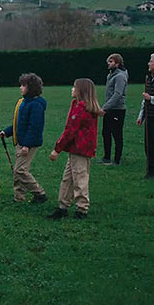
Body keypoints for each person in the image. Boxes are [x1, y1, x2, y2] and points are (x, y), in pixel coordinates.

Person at [48, 78, 104, 219]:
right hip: (77, 149)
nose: (72, 89)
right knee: (68, 179)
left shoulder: (81, 108)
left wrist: (57, 149)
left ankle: (81, 209)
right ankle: (63, 206)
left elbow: (70, 131)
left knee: (80, 178)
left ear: (81, 90)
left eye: (74, 87)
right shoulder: (81, 106)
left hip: (80, 149)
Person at [0, 73, 47, 203]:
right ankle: (19, 198)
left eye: (23, 85)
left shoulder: (36, 105)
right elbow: (18, 123)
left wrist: (27, 145)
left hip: (28, 143)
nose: (20, 88)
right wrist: (7, 132)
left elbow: (34, 127)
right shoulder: (24, 102)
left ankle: (39, 193)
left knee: (20, 170)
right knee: (18, 171)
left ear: (31, 88)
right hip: (21, 141)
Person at [100, 53, 128, 165]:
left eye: (111, 62)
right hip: (109, 108)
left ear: (117, 63)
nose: (108, 63)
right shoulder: (110, 75)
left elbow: (117, 94)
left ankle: (117, 159)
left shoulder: (120, 76)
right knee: (105, 132)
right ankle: (106, 157)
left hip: (117, 109)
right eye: (108, 61)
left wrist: (105, 107)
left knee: (116, 134)